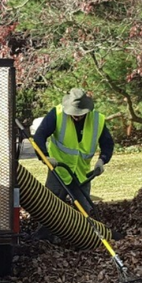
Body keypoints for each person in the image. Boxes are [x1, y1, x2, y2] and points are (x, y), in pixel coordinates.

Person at [32, 88, 120, 241]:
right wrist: (45, 157)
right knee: (48, 208)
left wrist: (102, 160)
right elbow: (39, 136)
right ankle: (44, 239)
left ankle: (82, 240)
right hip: (59, 170)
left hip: (81, 174)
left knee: (84, 210)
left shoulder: (97, 120)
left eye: (80, 114)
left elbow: (107, 143)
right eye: (74, 113)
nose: (77, 117)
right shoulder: (57, 114)